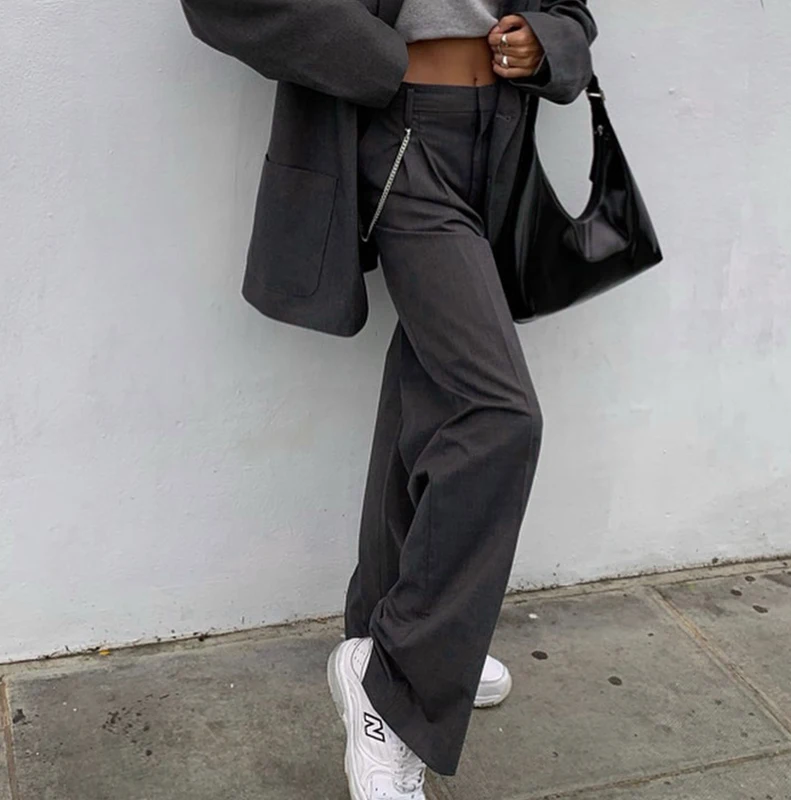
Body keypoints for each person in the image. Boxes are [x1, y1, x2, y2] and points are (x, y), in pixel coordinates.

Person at [179, 1, 597, 797]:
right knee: (500, 414)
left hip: (498, 141)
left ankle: (389, 637)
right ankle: (399, 688)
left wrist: (550, 44)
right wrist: (375, 58)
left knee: (436, 392)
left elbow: (570, 13)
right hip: (400, 133)